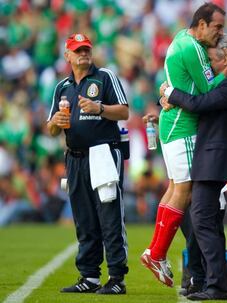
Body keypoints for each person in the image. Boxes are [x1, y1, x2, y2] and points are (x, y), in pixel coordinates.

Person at [140, 2, 227, 288]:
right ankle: (158, 253)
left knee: (175, 188)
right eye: (217, 27)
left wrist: (168, 93)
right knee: (185, 192)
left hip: (172, 126)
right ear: (202, 24)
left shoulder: (179, 39)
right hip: (183, 127)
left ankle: (156, 252)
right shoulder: (193, 48)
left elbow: (180, 84)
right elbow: (209, 91)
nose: (220, 33)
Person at [161, 33, 227, 301]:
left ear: (224, 59)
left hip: (213, 158)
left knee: (202, 221)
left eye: (210, 60)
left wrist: (170, 92)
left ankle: (216, 285)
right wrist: (165, 100)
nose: (207, 67)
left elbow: (199, 103)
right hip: (208, 157)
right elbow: (198, 98)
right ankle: (219, 283)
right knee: (206, 223)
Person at [47, 33, 129, 294]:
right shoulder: (63, 87)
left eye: (86, 49)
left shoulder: (105, 76)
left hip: (103, 153)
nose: (83, 53)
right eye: (78, 50)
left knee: (109, 217)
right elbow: (50, 129)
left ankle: (117, 278)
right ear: (67, 56)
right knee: (84, 219)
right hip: (75, 156)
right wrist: (55, 123)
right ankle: (89, 277)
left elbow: (125, 111)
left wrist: (100, 108)